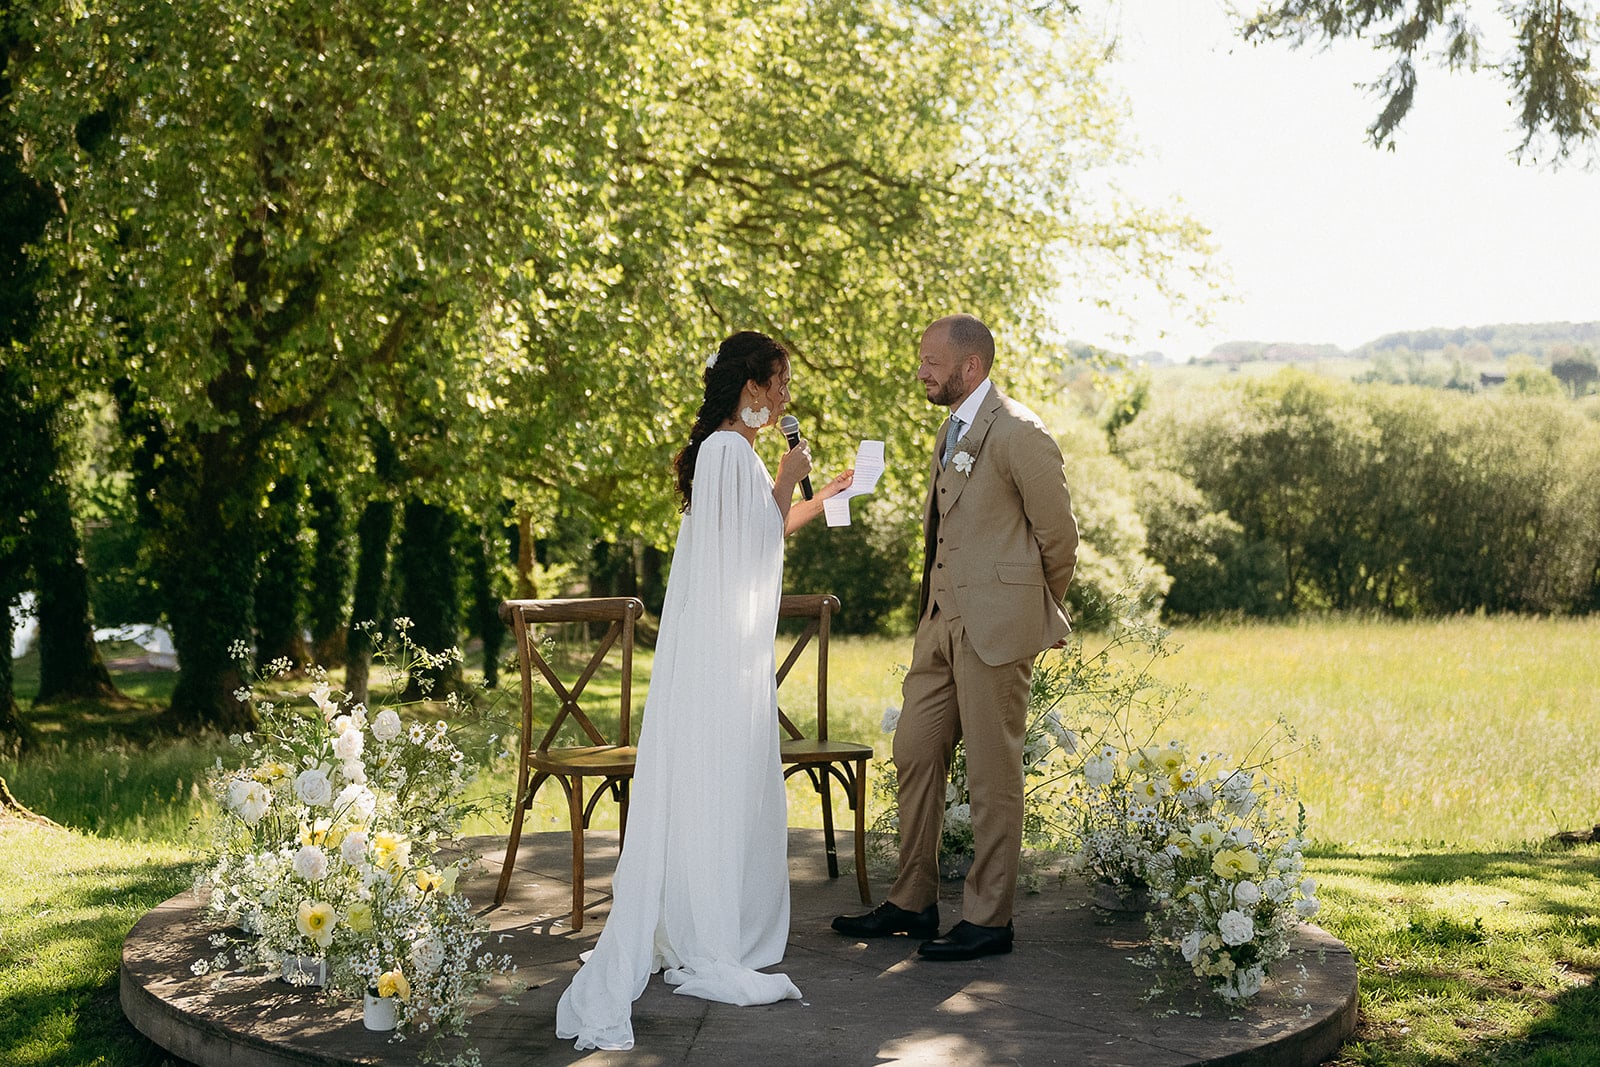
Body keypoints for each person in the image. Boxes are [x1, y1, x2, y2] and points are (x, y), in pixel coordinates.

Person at [555, 330, 854, 1050]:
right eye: (779, 382)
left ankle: (712, 914)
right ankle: (710, 928)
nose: (786, 396)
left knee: (729, 785)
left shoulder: (729, 454)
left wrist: (823, 494)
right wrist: (789, 471)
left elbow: (764, 531)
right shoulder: (728, 452)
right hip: (720, 658)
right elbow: (748, 547)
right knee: (720, 782)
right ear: (751, 387)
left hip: (724, 653)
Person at [832, 313, 1078, 961]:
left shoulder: (1020, 432)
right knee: (914, 749)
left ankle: (988, 919)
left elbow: (1060, 537)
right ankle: (913, 900)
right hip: (939, 624)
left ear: (970, 367)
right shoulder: (952, 429)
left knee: (994, 776)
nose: (921, 370)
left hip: (997, 629)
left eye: (931, 360)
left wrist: (1037, 612)